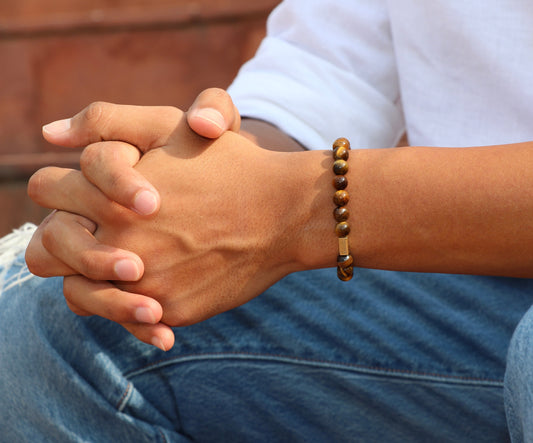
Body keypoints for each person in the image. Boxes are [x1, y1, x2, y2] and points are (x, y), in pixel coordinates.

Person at [1, 0, 533, 441]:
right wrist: (184, 179)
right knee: (42, 325)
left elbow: (293, 202)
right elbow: (324, 69)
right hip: (463, 301)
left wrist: (295, 208)